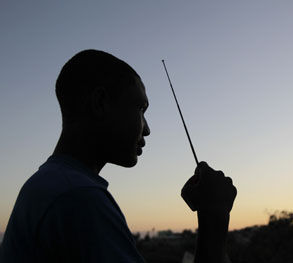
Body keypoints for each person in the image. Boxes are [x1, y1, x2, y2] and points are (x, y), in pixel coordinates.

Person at [0, 50, 237, 263]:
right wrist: (214, 215)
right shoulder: (78, 197)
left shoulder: (50, 185)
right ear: (101, 103)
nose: (147, 129)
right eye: (141, 109)